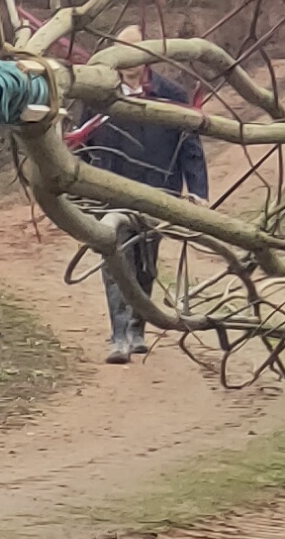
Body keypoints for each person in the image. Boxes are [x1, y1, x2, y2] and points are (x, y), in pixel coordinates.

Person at [72, 43, 209, 363]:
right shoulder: (98, 96)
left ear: (145, 59)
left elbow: (190, 144)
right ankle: (119, 335)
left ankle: (137, 329)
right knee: (116, 261)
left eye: (135, 61)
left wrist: (198, 191)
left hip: (157, 193)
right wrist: (78, 188)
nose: (129, 67)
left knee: (146, 263)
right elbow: (81, 141)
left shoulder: (171, 94)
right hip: (110, 193)